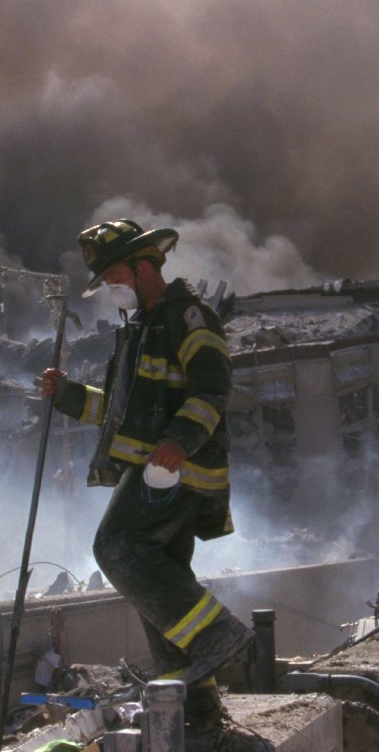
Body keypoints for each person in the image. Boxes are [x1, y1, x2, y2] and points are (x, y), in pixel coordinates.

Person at [40, 219, 252, 725]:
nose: (112, 288)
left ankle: (215, 635)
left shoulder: (189, 317)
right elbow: (121, 417)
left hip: (179, 472)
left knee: (116, 546)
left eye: (114, 275)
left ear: (143, 266)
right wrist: (68, 396)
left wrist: (178, 443)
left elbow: (212, 390)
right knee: (160, 584)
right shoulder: (139, 331)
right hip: (157, 468)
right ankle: (196, 704)